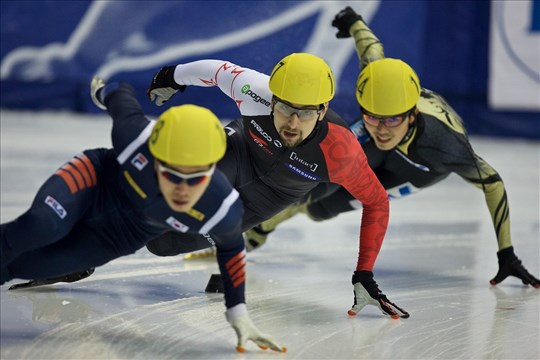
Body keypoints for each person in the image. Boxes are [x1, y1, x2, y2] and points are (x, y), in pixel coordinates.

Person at [244, 7, 540, 289]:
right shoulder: (378, 86)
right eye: (371, 116)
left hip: (418, 167)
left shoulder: (444, 145)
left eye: (392, 120)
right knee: (314, 179)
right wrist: (354, 22)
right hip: (376, 145)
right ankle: (255, 232)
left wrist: (507, 254)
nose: (382, 129)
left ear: (412, 115)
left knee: (321, 210)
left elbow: (492, 183)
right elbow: (371, 49)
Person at [0, 77, 285, 353]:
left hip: (120, 236)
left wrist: (238, 314)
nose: (183, 190)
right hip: (95, 182)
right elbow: (118, 95)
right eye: (172, 175)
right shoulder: (135, 136)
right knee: (41, 226)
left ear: (212, 169)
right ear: (155, 158)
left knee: (25, 266)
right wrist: (103, 89)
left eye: (197, 178)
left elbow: (232, 251)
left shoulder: (221, 205)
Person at [144, 52, 408, 319]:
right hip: (237, 154)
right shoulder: (254, 91)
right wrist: (171, 77)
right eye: (284, 108)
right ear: (272, 100)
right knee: (180, 197)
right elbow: (217, 71)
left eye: (305, 113)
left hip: (265, 201)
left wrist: (364, 273)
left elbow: (376, 201)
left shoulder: (341, 152)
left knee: (161, 244)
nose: (292, 123)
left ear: (323, 110)